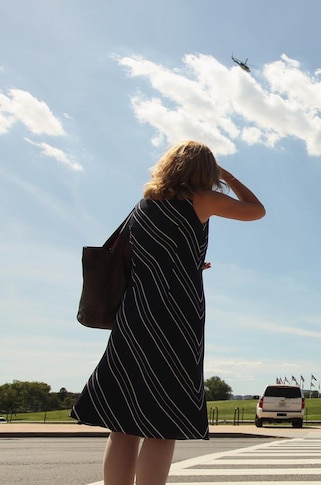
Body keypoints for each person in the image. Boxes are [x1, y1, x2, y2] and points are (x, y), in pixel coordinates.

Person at [71, 140, 265, 485]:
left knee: (123, 423)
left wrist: (188, 263)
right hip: (175, 317)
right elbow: (255, 210)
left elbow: (140, 259)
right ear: (204, 172)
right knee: (163, 423)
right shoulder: (201, 199)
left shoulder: (145, 204)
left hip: (133, 315)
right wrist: (230, 177)